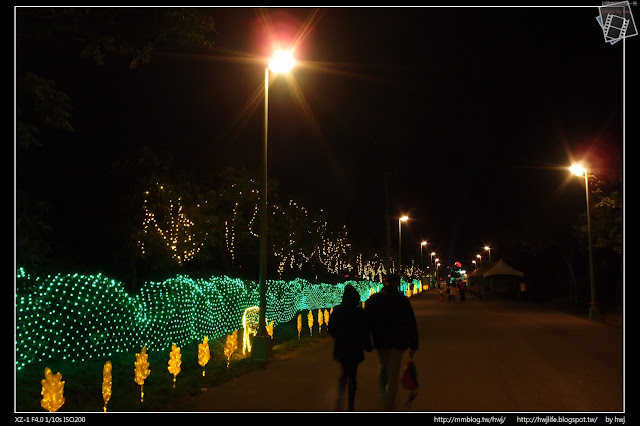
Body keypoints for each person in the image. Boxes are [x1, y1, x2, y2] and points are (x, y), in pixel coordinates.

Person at [364, 273, 419, 411]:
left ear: (385, 282)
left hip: (380, 340)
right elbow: (411, 323)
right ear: (397, 283)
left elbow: (366, 322)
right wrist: (414, 345)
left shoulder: (373, 299)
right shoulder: (402, 300)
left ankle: (383, 397)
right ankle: (387, 405)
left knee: (383, 369)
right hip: (398, 340)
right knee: (393, 373)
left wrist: (367, 341)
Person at [328, 284, 373, 411]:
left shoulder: (337, 310)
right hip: (355, 348)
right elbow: (365, 331)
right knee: (353, 374)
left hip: (341, 347)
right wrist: (368, 345)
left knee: (344, 372)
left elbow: (331, 328)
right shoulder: (359, 313)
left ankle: (340, 395)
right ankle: (351, 403)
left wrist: (338, 336)